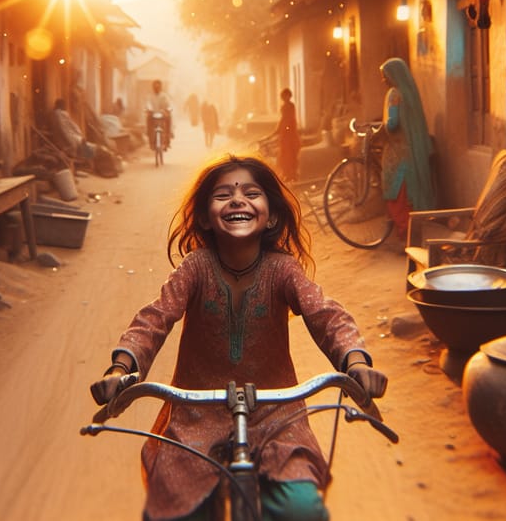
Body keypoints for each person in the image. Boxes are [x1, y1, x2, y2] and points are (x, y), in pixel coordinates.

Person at [89, 154, 388, 521]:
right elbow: (154, 319)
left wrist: (355, 363)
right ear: (204, 217)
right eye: (223, 195)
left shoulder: (283, 271)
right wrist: (122, 369)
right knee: (172, 509)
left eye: (251, 192)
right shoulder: (195, 268)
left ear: (271, 215)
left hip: (277, 417)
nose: (237, 200)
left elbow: (327, 316)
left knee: (302, 511)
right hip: (196, 414)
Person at [379, 58, 436, 238]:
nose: (383, 80)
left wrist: (383, 128)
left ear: (392, 76)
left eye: (384, 76)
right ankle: (413, 231)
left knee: (395, 191)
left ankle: (406, 233)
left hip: (398, 154)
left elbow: (393, 124)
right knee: (410, 193)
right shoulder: (410, 93)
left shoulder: (394, 94)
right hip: (412, 153)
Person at [50, 98, 120, 178]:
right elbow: (67, 133)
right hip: (76, 143)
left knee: (99, 150)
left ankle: (101, 169)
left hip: (76, 142)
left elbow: (69, 131)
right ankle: (108, 172)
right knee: (100, 151)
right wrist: (79, 141)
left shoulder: (59, 116)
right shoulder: (61, 115)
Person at [274, 88, 301, 182]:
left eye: (286, 96)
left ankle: (291, 174)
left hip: (289, 134)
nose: (285, 98)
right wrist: (278, 129)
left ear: (289, 96)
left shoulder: (289, 106)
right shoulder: (286, 106)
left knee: (291, 154)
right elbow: (283, 119)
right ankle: (288, 174)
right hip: (286, 133)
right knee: (286, 154)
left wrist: (280, 129)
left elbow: (287, 119)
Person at [146, 79, 173, 151]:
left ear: (160, 87)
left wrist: (168, 109)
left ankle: (167, 140)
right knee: (148, 120)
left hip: (162, 114)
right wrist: (149, 109)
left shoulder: (164, 96)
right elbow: (148, 104)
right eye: (155, 87)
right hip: (153, 114)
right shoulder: (150, 96)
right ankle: (150, 141)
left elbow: (168, 104)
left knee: (169, 118)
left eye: (158, 86)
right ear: (153, 87)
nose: (156, 88)